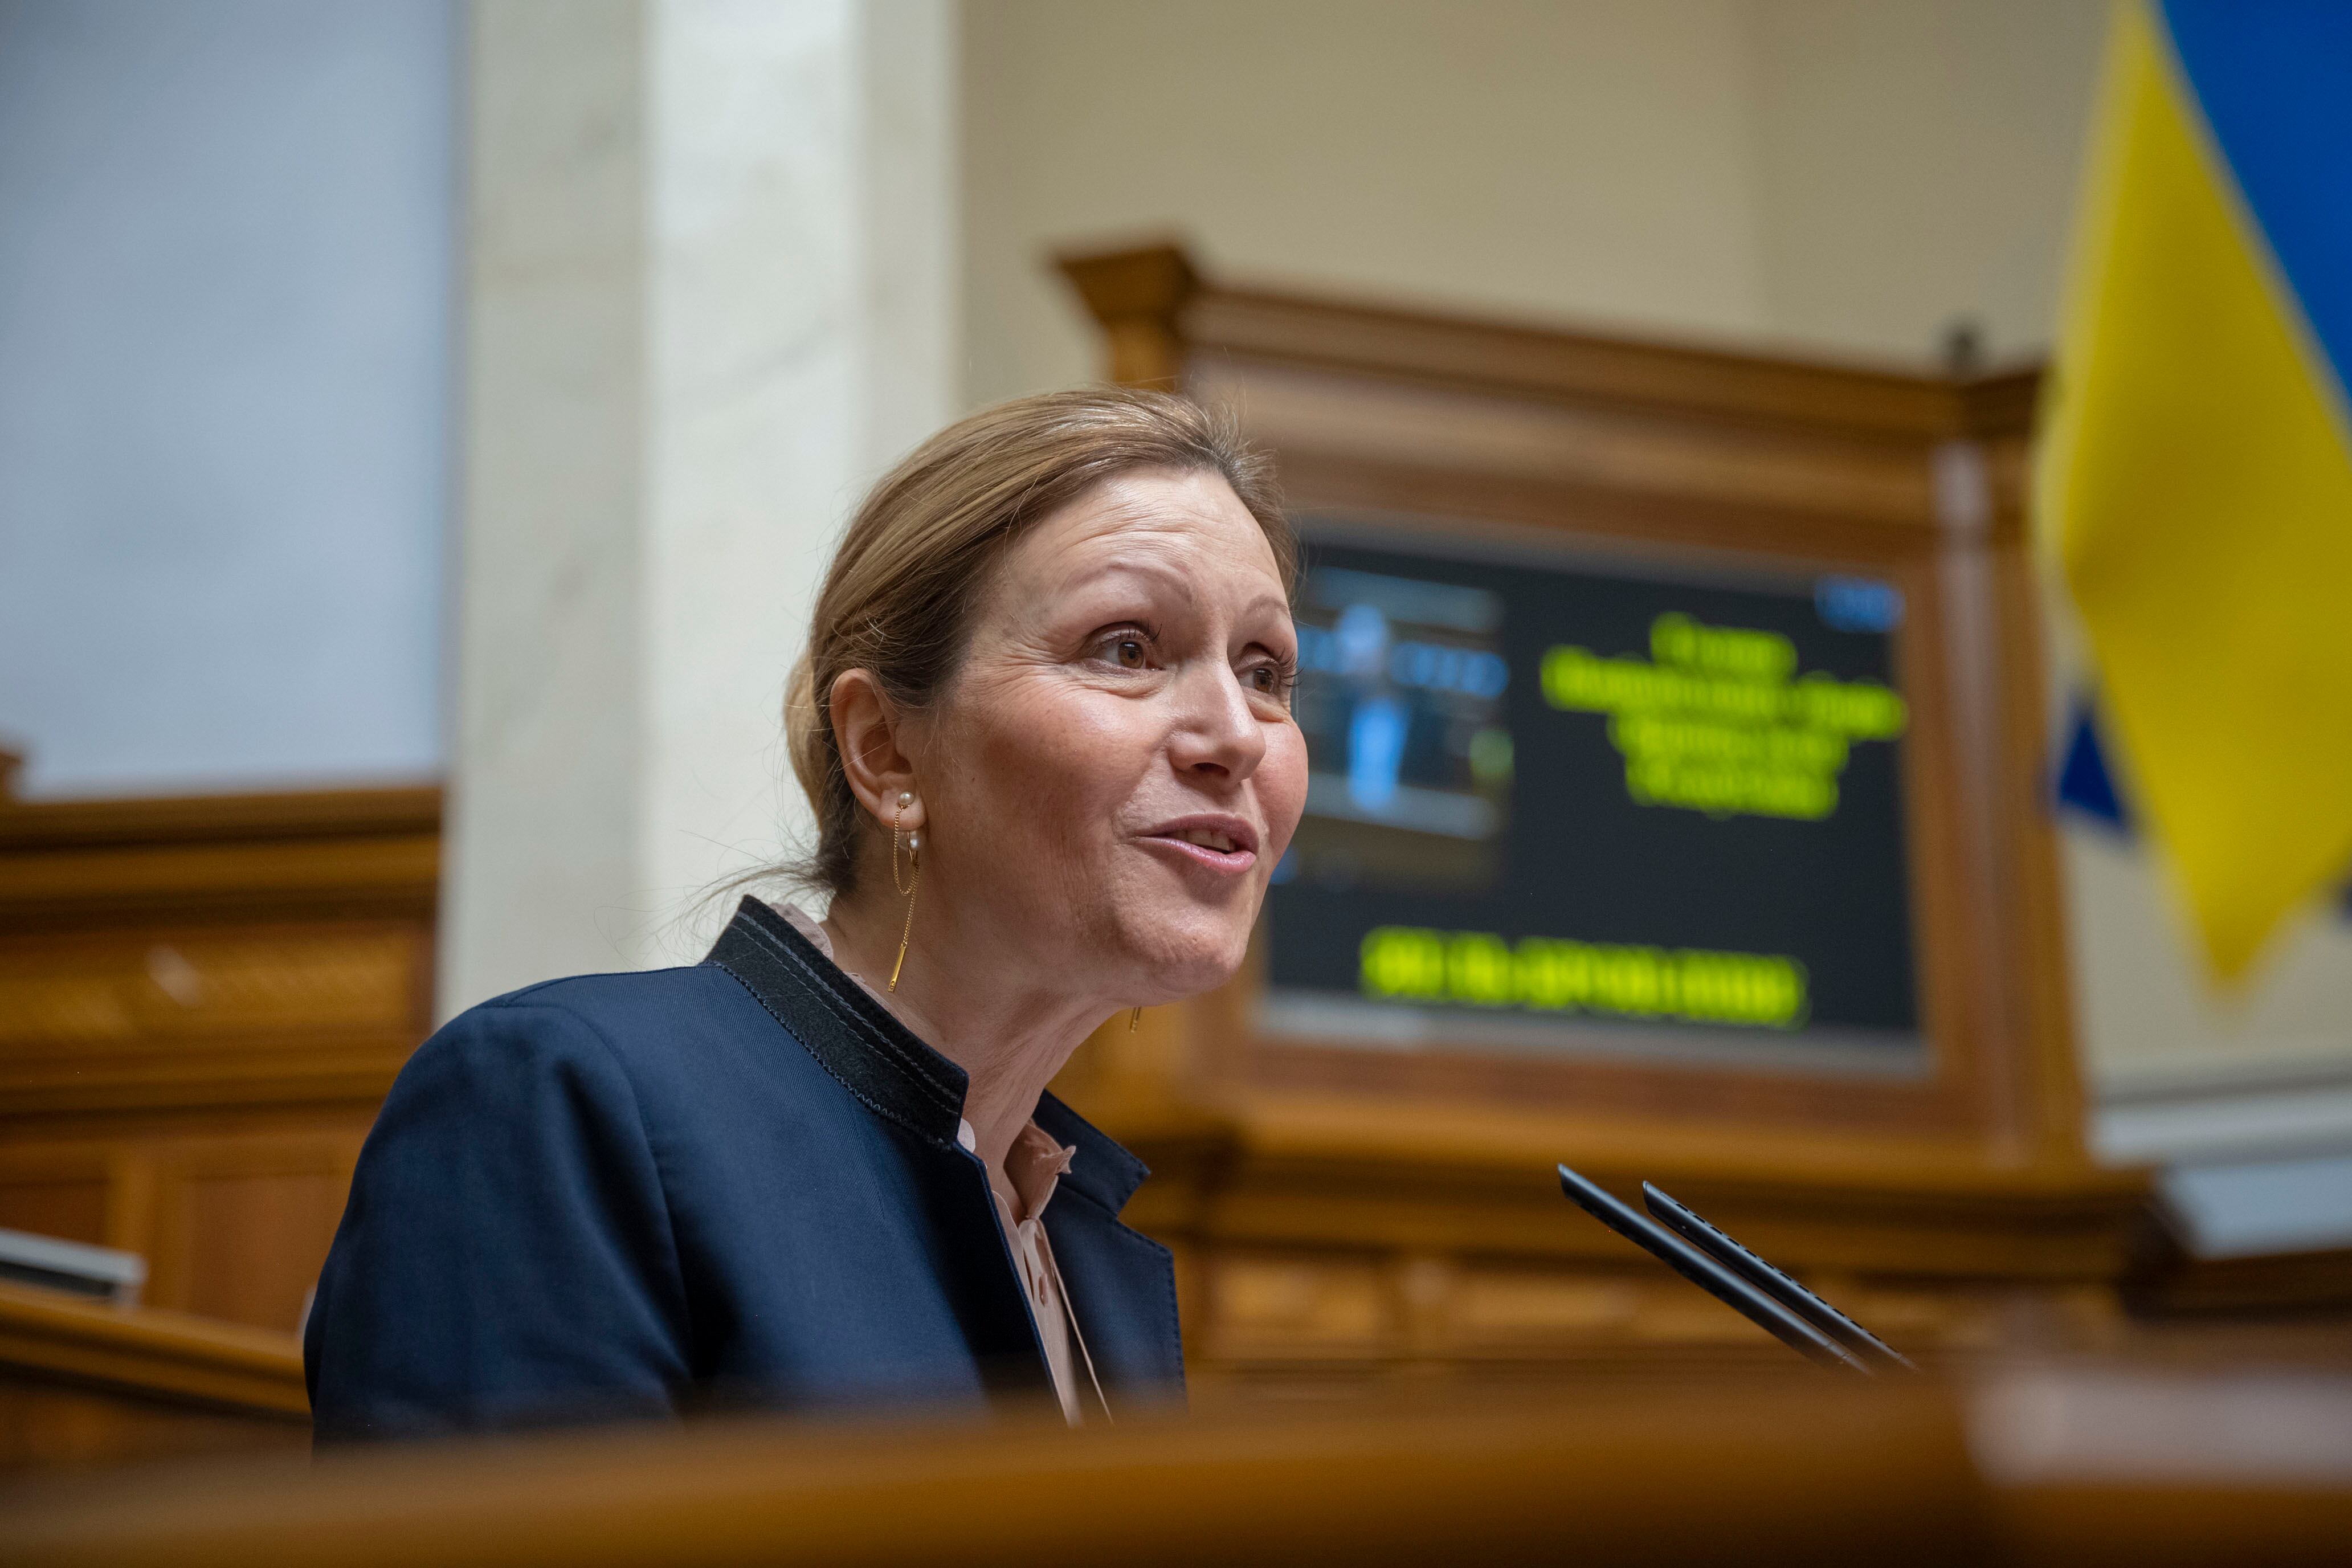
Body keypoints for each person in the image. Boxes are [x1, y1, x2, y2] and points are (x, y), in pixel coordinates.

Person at [304, 389, 1307, 1439]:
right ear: (886, 751)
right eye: (1127, 648)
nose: (1235, 735)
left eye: (1266, 671)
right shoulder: (560, 1103)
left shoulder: (1081, 1247)